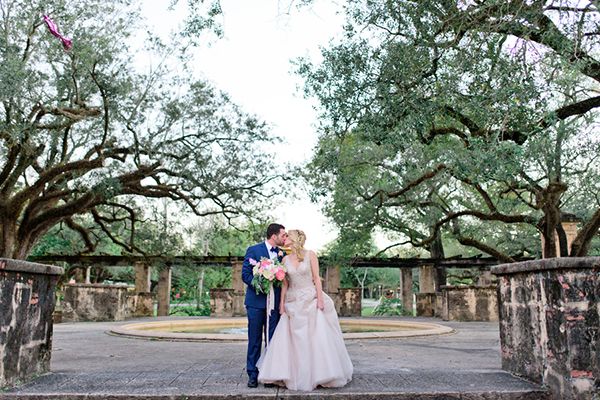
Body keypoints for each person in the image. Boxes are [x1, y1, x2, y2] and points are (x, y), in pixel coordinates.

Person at [257, 229, 353, 391]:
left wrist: (320, 300)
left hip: (310, 299)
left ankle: (320, 374)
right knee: (293, 340)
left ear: (294, 239)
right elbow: (285, 284)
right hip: (292, 302)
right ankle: (291, 374)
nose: (284, 238)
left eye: (287, 236)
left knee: (314, 337)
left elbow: (316, 278)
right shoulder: (285, 259)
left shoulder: (311, 255)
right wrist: (281, 305)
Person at [241, 223, 287, 388]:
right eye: (283, 235)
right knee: (254, 339)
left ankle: (270, 374)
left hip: (274, 305)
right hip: (256, 303)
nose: (285, 238)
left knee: (272, 339)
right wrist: (261, 283)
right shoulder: (253, 250)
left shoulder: (283, 255)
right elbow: (245, 275)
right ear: (274, 236)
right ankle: (252, 374)